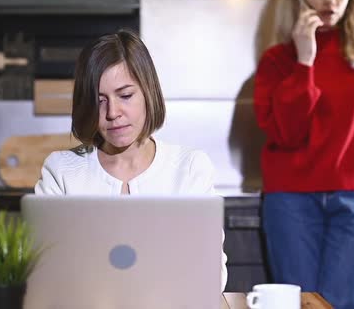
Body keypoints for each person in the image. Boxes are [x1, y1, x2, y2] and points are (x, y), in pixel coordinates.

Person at [253, 0, 354, 307]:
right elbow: (286, 132)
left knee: (343, 305)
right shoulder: (277, 61)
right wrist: (304, 61)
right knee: (297, 304)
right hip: (290, 201)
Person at [34, 29, 228, 291]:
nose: (113, 112)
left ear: (148, 92)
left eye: (125, 95)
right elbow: (46, 272)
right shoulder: (61, 172)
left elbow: (210, 274)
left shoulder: (190, 168)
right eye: (99, 101)